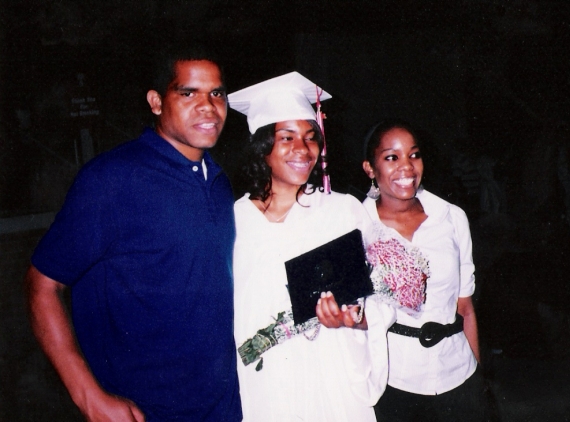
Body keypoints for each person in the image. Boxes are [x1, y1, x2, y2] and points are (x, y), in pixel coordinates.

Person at [25, 45, 242, 422]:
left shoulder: (219, 180)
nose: (208, 106)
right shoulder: (113, 179)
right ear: (156, 102)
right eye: (188, 93)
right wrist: (90, 398)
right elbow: (42, 284)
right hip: (144, 409)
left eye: (217, 93)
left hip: (223, 406)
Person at [228, 72, 391, 422]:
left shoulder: (343, 211)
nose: (302, 150)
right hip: (269, 387)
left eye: (310, 137)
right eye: (286, 138)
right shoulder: (233, 222)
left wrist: (357, 320)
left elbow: (382, 298)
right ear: (262, 147)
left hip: (334, 380)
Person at [361, 120, 488, 422]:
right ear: (370, 168)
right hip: (394, 380)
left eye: (414, 155)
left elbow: (466, 308)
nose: (407, 167)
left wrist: (477, 381)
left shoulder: (451, 218)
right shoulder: (358, 226)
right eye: (391, 157)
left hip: (459, 374)